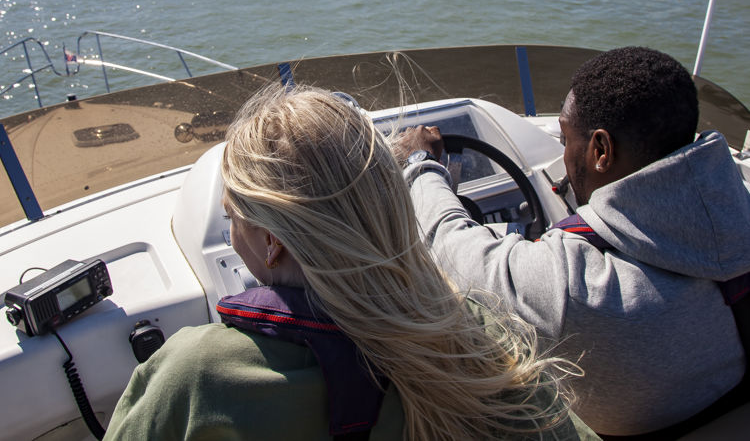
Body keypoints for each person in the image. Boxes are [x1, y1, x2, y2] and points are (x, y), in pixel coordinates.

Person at [104, 84, 596, 440]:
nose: (232, 236)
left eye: (234, 217)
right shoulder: (473, 338)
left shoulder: (196, 377)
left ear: (273, 241)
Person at [398, 46, 750, 437]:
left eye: (566, 138)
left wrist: (419, 165)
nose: (564, 154)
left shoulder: (575, 287)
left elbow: (449, 246)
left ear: (601, 150)